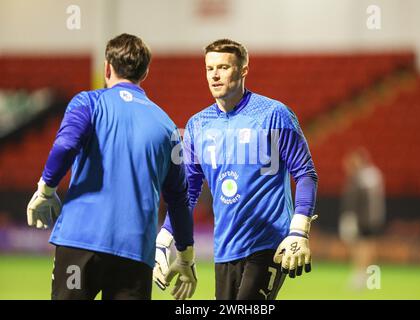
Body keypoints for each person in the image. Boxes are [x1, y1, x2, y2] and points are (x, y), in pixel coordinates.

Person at [26, 33, 197, 300]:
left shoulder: (88, 103)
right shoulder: (167, 127)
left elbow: (65, 146)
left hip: (79, 243)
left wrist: (45, 189)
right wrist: (185, 255)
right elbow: (179, 198)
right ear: (145, 72)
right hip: (135, 252)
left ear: (107, 67)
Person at [153, 39, 318, 300]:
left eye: (223, 67)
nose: (215, 75)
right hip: (226, 248)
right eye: (209, 69)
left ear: (243, 70)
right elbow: (188, 191)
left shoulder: (274, 114)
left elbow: (305, 172)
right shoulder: (197, 125)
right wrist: (164, 239)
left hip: (268, 244)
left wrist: (299, 229)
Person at [339, 148, 385, 290]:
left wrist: (350, 217)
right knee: (365, 246)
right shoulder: (372, 174)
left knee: (363, 247)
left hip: (364, 218)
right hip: (372, 217)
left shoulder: (362, 177)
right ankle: (366, 275)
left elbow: (359, 200)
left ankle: (361, 274)